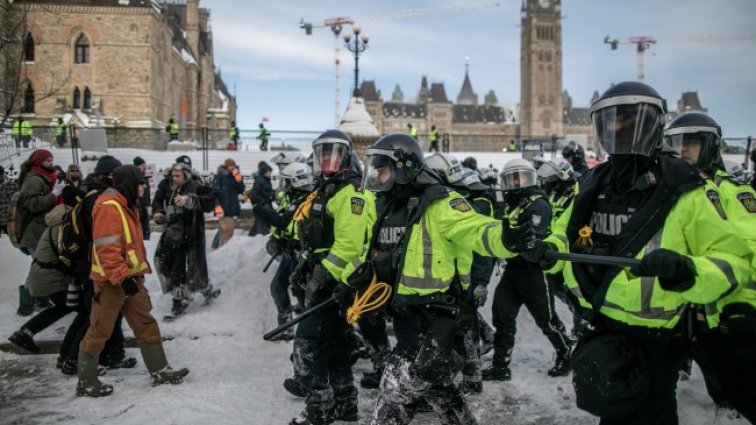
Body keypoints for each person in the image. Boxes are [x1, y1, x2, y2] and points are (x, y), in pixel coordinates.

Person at [522, 81, 752, 425]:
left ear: (653, 126)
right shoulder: (594, 183)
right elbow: (565, 232)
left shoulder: (687, 188)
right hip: (608, 324)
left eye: (629, 122)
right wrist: (550, 249)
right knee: (613, 409)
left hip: (661, 333)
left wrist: (688, 271)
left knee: (653, 412)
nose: (618, 131)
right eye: (610, 122)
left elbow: (734, 261)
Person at [360, 134, 534, 425]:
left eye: (383, 169)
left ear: (403, 167)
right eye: (375, 170)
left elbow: (478, 229)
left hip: (436, 315)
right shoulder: (388, 207)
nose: (378, 176)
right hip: (405, 314)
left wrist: (507, 237)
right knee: (439, 387)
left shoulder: (440, 202)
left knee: (393, 394)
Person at [664, 111, 756, 421]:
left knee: (732, 378)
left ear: (710, 146)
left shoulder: (735, 193)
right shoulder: (668, 191)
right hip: (677, 306)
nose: (682, 152)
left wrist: (743, 306)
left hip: (720, 308)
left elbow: (749, 246)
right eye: (676, 144)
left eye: (690, 144)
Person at [286, 129, 376, 425]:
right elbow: (315, 237)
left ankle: (319, 409)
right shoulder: (327, 190)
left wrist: (322, 276)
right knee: (336, 344)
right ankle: (345, 403)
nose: (327, 161)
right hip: (326, 278)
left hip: (339, 283)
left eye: (333, 155)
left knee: (308, 342)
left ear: (347, 158)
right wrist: (304, 265)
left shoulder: (352, 194)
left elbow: (349, 246)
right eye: (322, 155)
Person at [76, 165, 189, 397]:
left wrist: (132, 277)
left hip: (130, 280)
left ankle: (159, 370)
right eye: (140, 182)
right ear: (128, 183)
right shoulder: (109, 208)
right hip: (111, 282)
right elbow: (107, 250)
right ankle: (86, 381)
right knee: (100, 330)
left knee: (145, 323)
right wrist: (122, 277)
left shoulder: (127, 206)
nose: (144, 186)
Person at [482, 158, 572, 382]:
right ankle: (500, 366)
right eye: (511, 179)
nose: (515, 183)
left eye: (519, 178)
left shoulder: (538, 204)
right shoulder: (513, 204)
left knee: (547, 320)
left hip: (534, 271)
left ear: (529, 178)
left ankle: (565, 353)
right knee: (502, 315)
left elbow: (534, 239)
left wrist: (510, 243)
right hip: (513, 269)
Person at [8, 187, 83, 355]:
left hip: (44, 275)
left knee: (65, 306)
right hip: (49, 277)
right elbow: (69, 253)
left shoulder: (58, 220)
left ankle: (25, 332)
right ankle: (72, 355)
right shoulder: (64, 225)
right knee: (84, 310)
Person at [254, 162, 313, 340]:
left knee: (301, 292)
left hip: (301, 253)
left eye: (286, 182)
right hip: (291, 250)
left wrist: (259, 209)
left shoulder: (305, 199)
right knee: (279, 286)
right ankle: (286, 325)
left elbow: (283, 221)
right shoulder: (296, 197)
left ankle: (309, 329)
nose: (283, 186)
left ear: (297, 181)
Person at [153, 160, 219, 319]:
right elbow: (157, 199)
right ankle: (179, 299)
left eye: (178, 175)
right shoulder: (166, 184)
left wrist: (190, 200)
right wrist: (158, 212)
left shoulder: (195, 185)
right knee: (173, 266)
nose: (174, 178)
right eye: (172, 175)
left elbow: (210, 201)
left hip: (191, 234)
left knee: (193, 268)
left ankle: (204, 291)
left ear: (186, 176)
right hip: (172, 234)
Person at [536, 158, 590, 340]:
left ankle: (582, 326)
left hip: (574, 248)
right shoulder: (553, 194)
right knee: (559, 289)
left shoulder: (577, 192)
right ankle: (581, 318)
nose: (549, 182)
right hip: (556, 247)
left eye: (552, 179)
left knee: (575, 289)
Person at [15, 149, 65, 316]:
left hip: (42, 230)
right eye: (47, 161)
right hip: (35, 232)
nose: (51, 163)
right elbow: (33, 204)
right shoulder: (34, 179)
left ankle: (40, 297)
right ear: (38, 162)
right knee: (38, 267)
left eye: (51, 160)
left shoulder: (44, 177)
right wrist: (54, 194)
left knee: (41, 266)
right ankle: (26, 303)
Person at [211, 158, 244, 249]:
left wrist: (238, 178)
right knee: (228, 229)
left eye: (233, 166)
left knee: (224, 229)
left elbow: (241, 189)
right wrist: (217, 208)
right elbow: (215, 194)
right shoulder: (219, 177)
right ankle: (223, 249)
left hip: (232, 207)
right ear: (226, 166)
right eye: (230, 166)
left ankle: (215, 247)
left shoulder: (235, 176)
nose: (232, 168)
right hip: (222, 207)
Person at [248, 161, 274, 237]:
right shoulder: (260, 181)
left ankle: (250, 237)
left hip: (264, 205)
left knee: (260, 223)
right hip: (261, 206)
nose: (270, 174)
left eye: (270, 172)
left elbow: (265, 192)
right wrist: (262, 202)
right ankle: (261, 238)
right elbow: (254, 194)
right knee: (262, 223)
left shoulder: (266, 181)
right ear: (264, 173)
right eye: (268, 172)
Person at [133, 157, 151, 240]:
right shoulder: (135, 177)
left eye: (145, 165)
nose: (144, 167)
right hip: (137, 208)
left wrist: (148, 204)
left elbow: (147, 194)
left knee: (146, 230)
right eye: (142, 165)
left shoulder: (145, 178)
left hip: (144, 208)